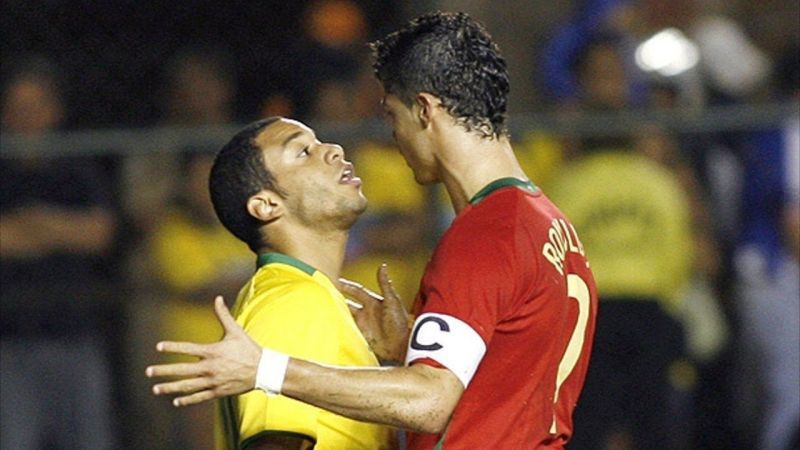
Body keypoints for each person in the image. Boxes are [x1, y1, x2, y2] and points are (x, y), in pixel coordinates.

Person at [148, 12, 599, 449]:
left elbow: (430, 401)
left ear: (424, 110)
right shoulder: (551, 225)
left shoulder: (485, 235)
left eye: (391, 114)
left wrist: (267, 369)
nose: (391, 134)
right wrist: (412, 349)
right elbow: (511, 381)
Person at [182, 116, 394, 449]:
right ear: (266, 205)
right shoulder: (291, 301)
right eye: (303, 152)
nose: (333, 150)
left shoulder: (306, 294)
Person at [0, 56, 119, 449]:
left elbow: (99, 233)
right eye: (17, 108)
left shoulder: (76, 166)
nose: (26, 117)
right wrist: (59, 228)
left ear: (55, 111)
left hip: (75, 332)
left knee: (88, 441)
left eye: (35, 107)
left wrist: (35, 222)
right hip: (10, 336)